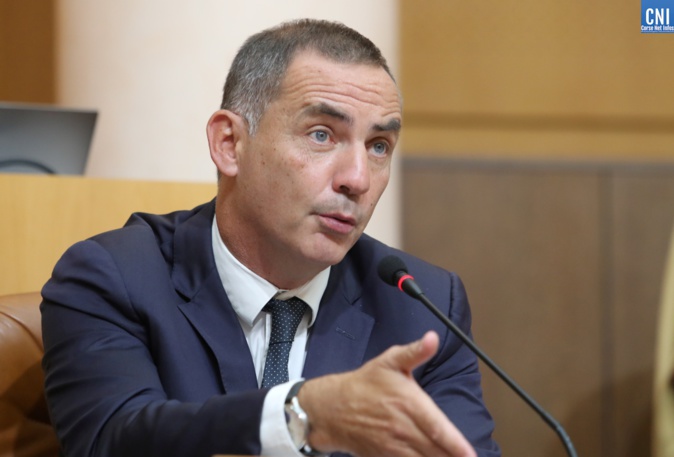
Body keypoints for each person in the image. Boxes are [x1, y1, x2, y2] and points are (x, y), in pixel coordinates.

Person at [40, 19, 500, 457]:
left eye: (378, 146)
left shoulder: (422, 306)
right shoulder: (114, 278)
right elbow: (112, 442)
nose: (357, 179)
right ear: (229, 144)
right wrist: (303, 415)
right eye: (321, 135)